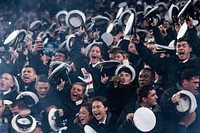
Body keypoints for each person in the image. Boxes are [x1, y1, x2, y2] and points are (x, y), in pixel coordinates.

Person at [132, 35, 200, 89]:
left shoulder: (197, 64)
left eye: (184, 46)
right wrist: (139, 44)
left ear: (190, 49)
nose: (181, 48)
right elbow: (151, 59)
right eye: (178, 46)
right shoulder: (169, 63)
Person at [160, 68, 200, 133]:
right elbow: (165, 113)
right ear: (185, 82)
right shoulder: (169, 93)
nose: (197, 86)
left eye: (198, 83)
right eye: (195, 83)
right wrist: (171, 102)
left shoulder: (198, 97)